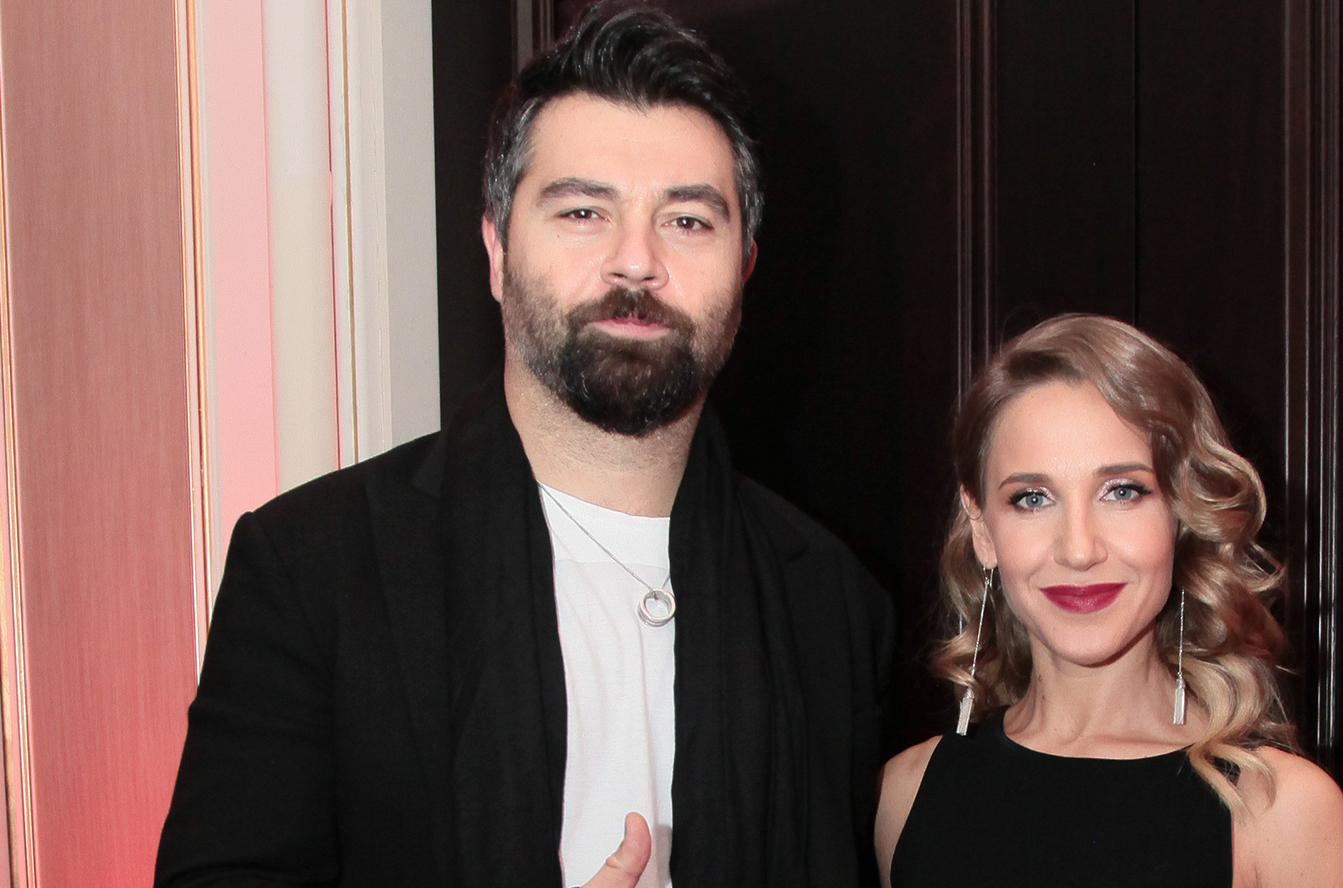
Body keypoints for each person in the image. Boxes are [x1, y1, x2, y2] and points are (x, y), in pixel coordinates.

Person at [155, 6, 893, 888]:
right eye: (583, 211)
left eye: (689, 221)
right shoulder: (314, 570)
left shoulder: (830, 604)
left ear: (744, 268)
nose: (636, 261)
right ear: (498, 250)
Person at [875, 315, 1343, 887]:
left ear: (1181, 513)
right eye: (1032, 498)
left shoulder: (1281, 812)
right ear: (982, 528)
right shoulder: (903, 796)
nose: (1079, 550)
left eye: (1122, 491)